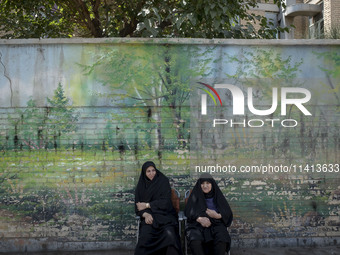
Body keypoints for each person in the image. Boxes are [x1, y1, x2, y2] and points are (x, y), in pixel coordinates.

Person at [134, 161, 182, 255]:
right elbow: (138, 207)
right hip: (150, 218)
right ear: (144, 173)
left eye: (153, 170)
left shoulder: (163, 181)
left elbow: (166, 203)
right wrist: (145, 214)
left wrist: (147, 205)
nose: (152, 173)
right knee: (145, 238)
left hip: (165, 217)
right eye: (148, 171)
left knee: (170, 236)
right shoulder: (141, 186)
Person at [185, 173, 233, 255]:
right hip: (197, 224)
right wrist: (199, 219)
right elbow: (188, 211)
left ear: (212, 184)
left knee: (221, 238)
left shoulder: (217, 195)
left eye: (208, 183)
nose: (205, 186)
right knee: (195, 240)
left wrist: (217, 215)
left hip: (216, 224)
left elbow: (228, 213)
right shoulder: (195, 195)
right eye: (202, 183)